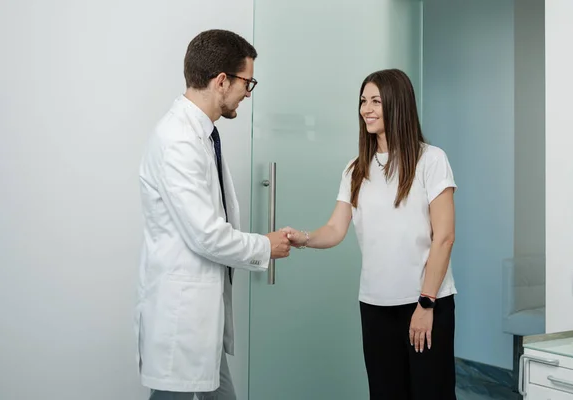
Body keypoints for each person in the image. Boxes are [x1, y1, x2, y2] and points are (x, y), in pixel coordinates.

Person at [135, 29, 291, 400]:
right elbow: (206, 235)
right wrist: (265, 246)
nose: (248, 93)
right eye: (247, 82)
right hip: (183, 317)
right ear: (222, 81)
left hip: (200, 316)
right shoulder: (178, 140)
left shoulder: (200, 135)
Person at [283, 69, 457, 399]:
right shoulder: (356, 169)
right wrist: (303, 238)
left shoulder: (431, 161)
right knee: (384, 393)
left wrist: (426, 303)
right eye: (363, 101)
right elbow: (336, 229)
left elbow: (444, 236)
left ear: (397, 104)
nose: (366, 108)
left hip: (425, 302)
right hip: (375, 305)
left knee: (431, 393)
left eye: (376, 100)